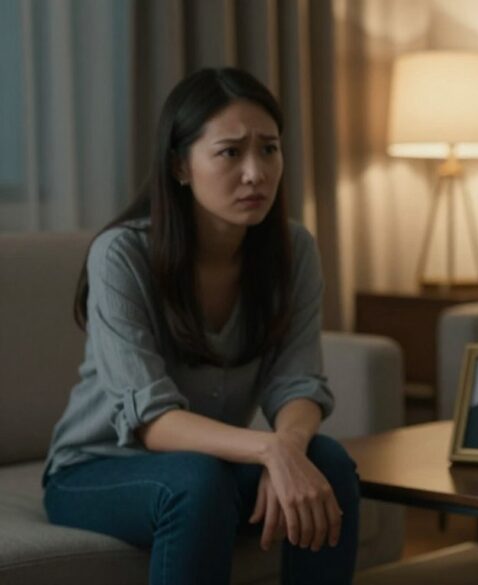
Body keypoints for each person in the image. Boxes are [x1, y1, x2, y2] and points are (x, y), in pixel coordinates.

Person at [42, 68, 360, 585]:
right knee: (197, 481)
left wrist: (291, 448)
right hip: (95, 470)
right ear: (181, 166)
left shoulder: (293, 250)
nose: (256, 173)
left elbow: (298, 383)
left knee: (329, 462)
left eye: (269, 149)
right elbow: (152, 419)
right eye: (231, 152)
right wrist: (270, 449)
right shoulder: (121, 255)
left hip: (209, 464)